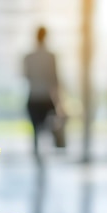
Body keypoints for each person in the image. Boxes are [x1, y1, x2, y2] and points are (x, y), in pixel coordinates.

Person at [23, 26, 65, 157]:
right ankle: (45, 154)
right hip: (46, 98)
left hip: (33, 97)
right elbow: (55, 80)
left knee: (36, 131)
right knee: (49, 129)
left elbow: (26, 76)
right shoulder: (51, 56)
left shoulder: (28, 57)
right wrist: (60, 103)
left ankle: (37, 154)